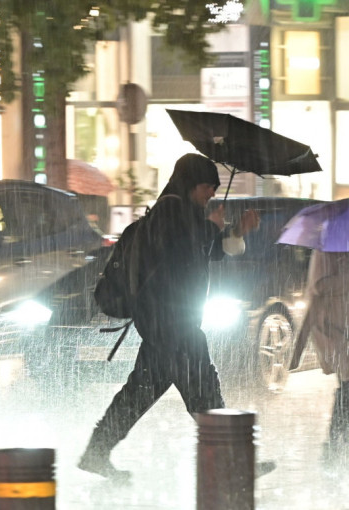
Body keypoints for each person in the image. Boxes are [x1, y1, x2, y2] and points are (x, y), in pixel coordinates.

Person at [78, 153, 261, 479]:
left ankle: (96, 452)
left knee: (140, 394)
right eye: (207, 187)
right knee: (204, 391)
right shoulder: (170, 212)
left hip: (166, 326)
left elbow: (205, 252)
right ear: (191, 183)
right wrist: (211, 227)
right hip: (174, 324)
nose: (211, 194)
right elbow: (178, 256)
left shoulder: (182, 213)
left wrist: (235, 231)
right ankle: (235, 461)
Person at [294, 250, 349, 456]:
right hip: (333, 326)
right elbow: (319, 287)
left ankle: (343, 438)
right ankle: (336, 441)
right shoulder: (325, 251)